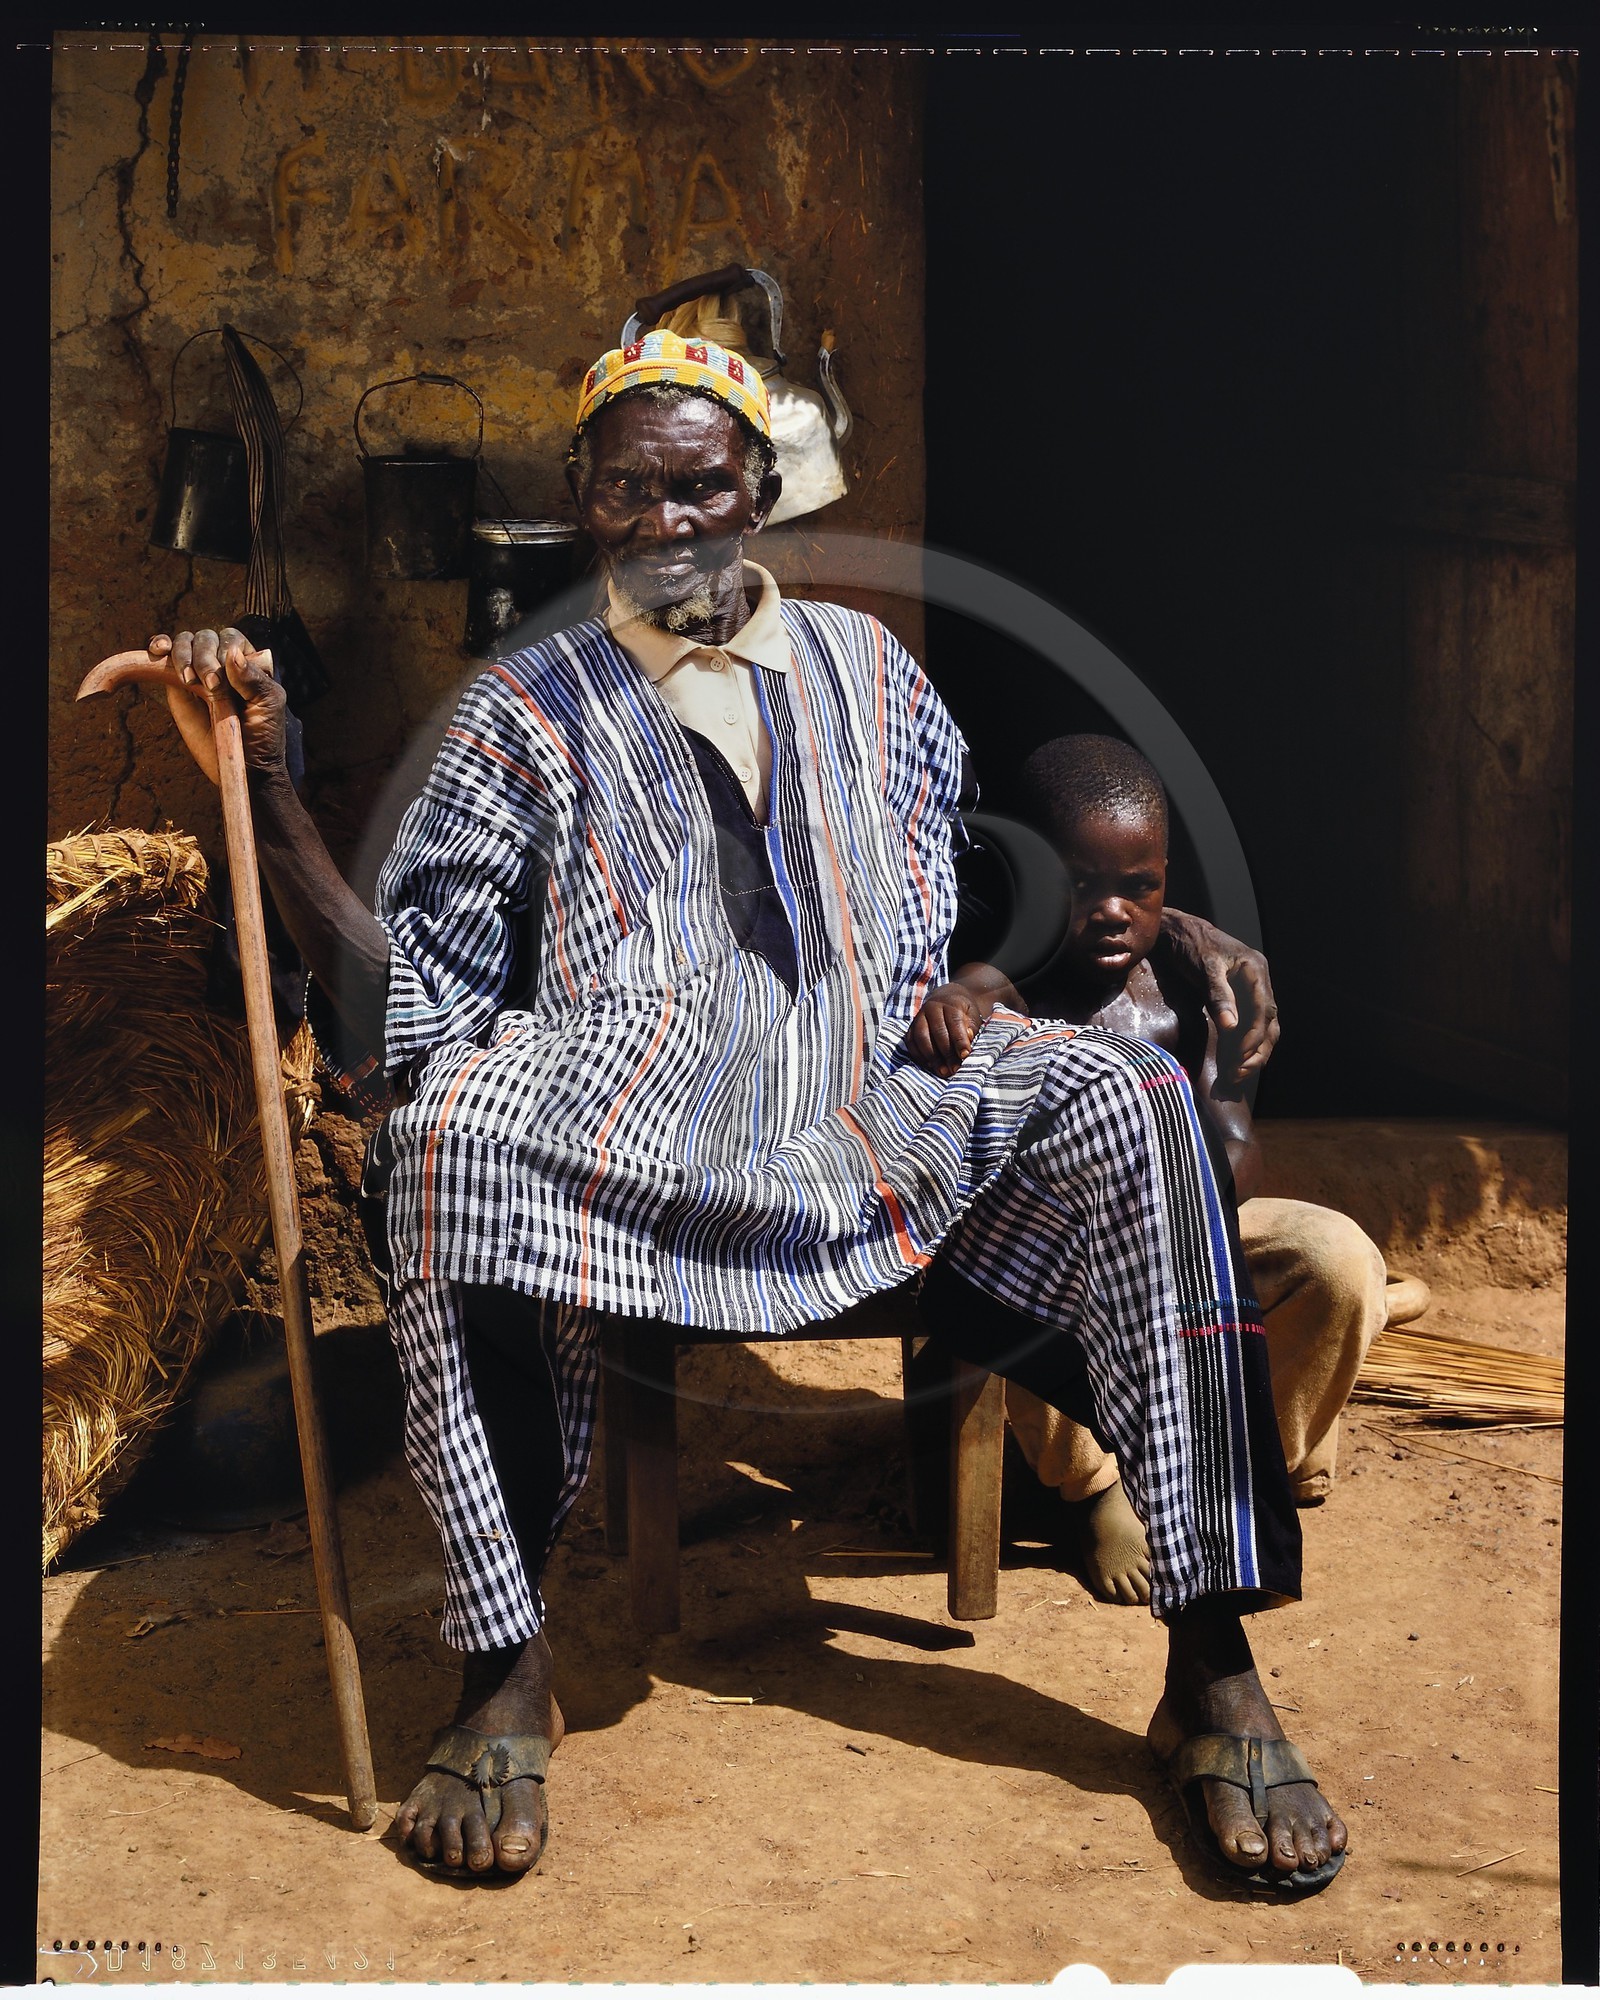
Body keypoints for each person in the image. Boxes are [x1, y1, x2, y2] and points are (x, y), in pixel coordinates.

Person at [147, 330, 1344, 1893]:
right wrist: (272, 797)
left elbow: (999, 895)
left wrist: (1111, 940)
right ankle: (501, 1667)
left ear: (760, 493)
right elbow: (408, 1009)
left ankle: (1213, 1665)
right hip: (638, 1127)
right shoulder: (519, 711)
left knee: (1130, 1096)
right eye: (629, 491)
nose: (667, 525)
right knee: (442, 1141)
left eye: (700, 486)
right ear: (584, 501)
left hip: (886, 1110)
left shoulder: (874, 672)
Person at [910, 734, 1387, 1608]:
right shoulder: (1003, 973)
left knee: (1341, 1258)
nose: (1112, 912)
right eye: (1079, 884)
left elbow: (1232, 1148)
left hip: (1185, 1232)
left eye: (1140, 886)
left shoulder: (1188, 993)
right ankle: (1094, 1490)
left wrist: (1236, 1086)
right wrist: (951, 1006)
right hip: (1056, 1250)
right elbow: (976, 990)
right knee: (1041, 1276)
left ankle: (1248, 1468)